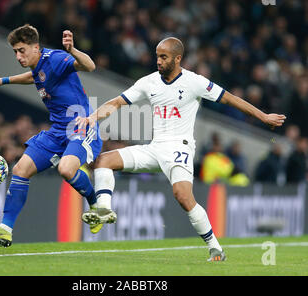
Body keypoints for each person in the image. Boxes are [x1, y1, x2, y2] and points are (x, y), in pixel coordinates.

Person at [76, 37, 286, 261]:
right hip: (155, 148)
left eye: (163, 57)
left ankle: (215, 247)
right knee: (102, 161)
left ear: (178, 59)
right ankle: (104, 209)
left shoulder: (194, 82)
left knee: (183, 197)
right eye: (157, 56)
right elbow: (117, 102)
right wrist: (93, 116)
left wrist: (263, 116)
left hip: (180, 148)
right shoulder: (149, 82)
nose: (158, 61)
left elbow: (230, 99)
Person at [0, 24, 105, 247]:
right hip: (57, 131)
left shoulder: (55, 58)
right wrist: (3, 80)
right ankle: (5, 230)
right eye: (15, 51)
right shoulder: (39, 66)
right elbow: (35, 77)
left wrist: (72, 50)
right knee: (20, 169)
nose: (18, 56)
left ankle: (96, 206)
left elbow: (90, 66)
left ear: (36, 47)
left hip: (80, 126)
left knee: (66, 169)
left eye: (22, 50)